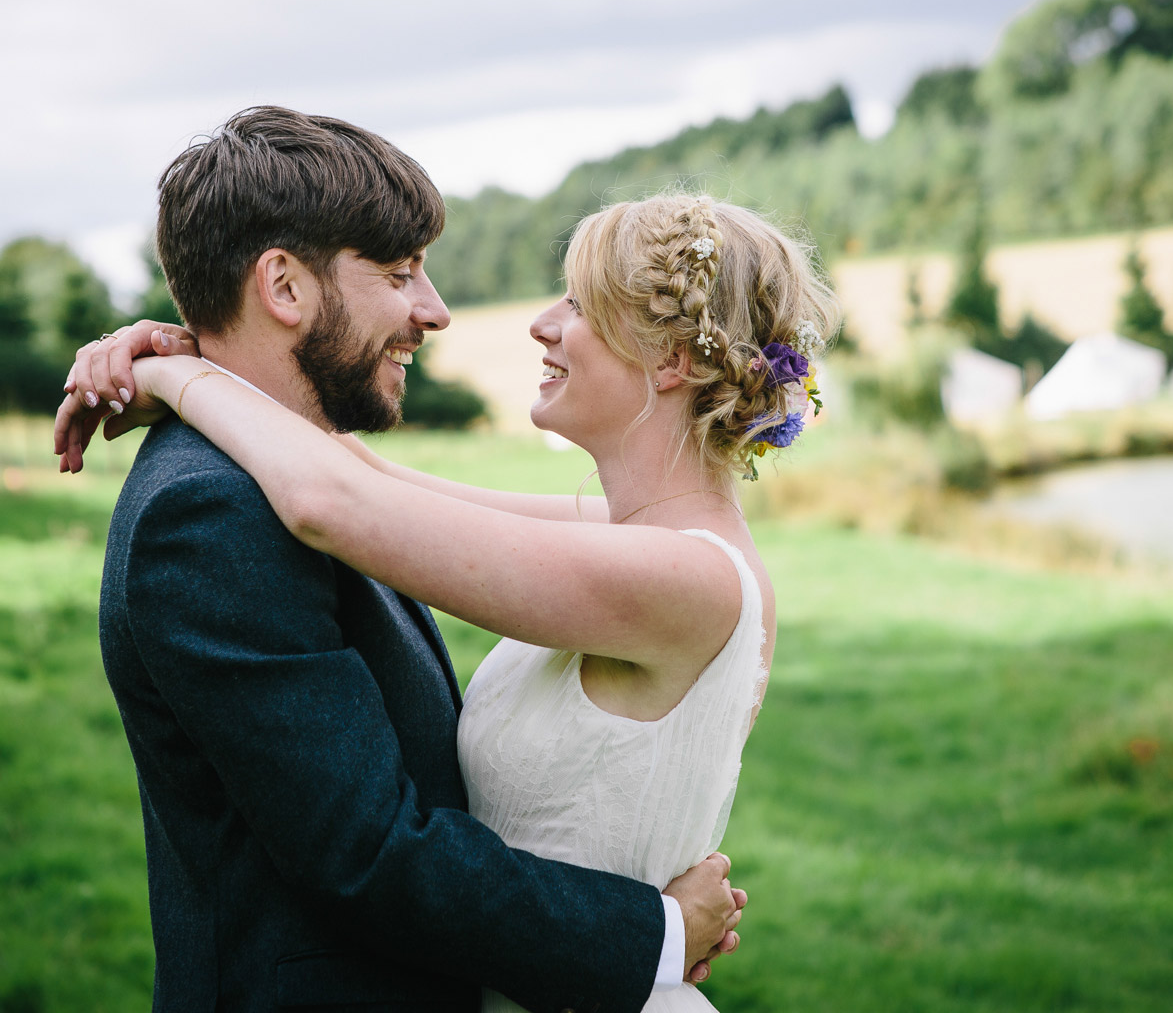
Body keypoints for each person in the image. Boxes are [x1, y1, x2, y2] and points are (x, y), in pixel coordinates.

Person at [55, 107, 747, 1013]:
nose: (435, 311)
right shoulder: (208, 511)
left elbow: (362, 486)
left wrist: (174, 368)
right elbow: (367, 853)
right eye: (399, 273)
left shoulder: (312, 481)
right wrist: (647, 934)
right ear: (285, 287)